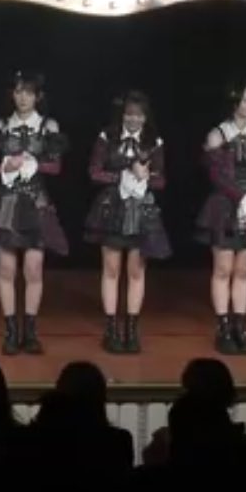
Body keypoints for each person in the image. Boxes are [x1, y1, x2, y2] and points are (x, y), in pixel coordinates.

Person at [0, 70, 68, 355]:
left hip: (36, 202)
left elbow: (56, 166)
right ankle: (11, 331)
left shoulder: (48, 126)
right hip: (7, 202)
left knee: (33, 269)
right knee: (6, 269)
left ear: (37, 96)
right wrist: (6, 164)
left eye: (28, 92)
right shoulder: (2, 126)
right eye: (18, 91)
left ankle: (30, 330)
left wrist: (33, 164)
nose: (23, 97)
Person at [85, 90, 170, 353]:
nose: (134, 120)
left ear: (146, 117)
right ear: (122, 115)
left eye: (139, 115)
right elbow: (94, 172)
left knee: (136, 271)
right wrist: (123, 173)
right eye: (129, 115)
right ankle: (111, 329)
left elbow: (161, 180)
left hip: (141, 212)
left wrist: (146, 177)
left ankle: (131, 330)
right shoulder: (107, 137)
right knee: (111, 269)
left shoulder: (153, 142)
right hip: (111, 209)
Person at [196, 81, 246, 354]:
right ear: (234, 102)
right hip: (224, 207)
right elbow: (217, 176)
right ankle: (223, 327)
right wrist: (241, 196)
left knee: (243, 270)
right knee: (223, 269)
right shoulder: (218, 134)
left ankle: (240, 326)